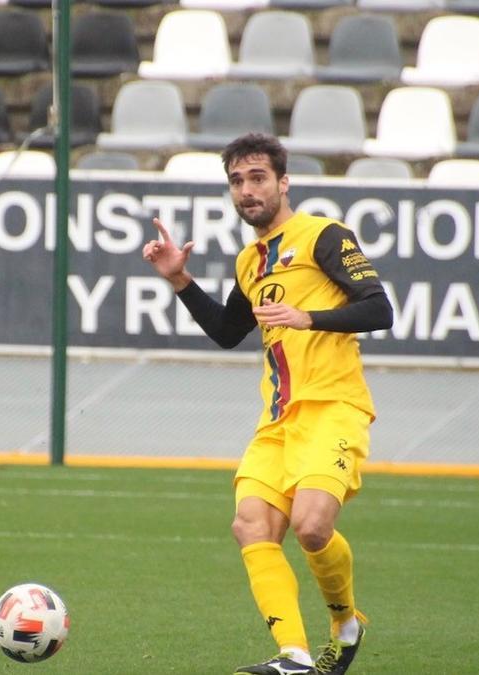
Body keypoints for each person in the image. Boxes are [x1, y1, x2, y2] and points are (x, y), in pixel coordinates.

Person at [141, 133, 393, 675]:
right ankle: (295, 657)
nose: (247, 190)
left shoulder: (323, 236)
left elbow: (380, 309)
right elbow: (229, 332)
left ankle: (346, 624)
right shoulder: (250, 261)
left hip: (333, 406)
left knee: (311, 527)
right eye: (237, 181)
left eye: (257, 178)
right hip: (278, 421)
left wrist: (310, 318)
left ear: (283, 182)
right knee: (250, 524)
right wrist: (180, 280)